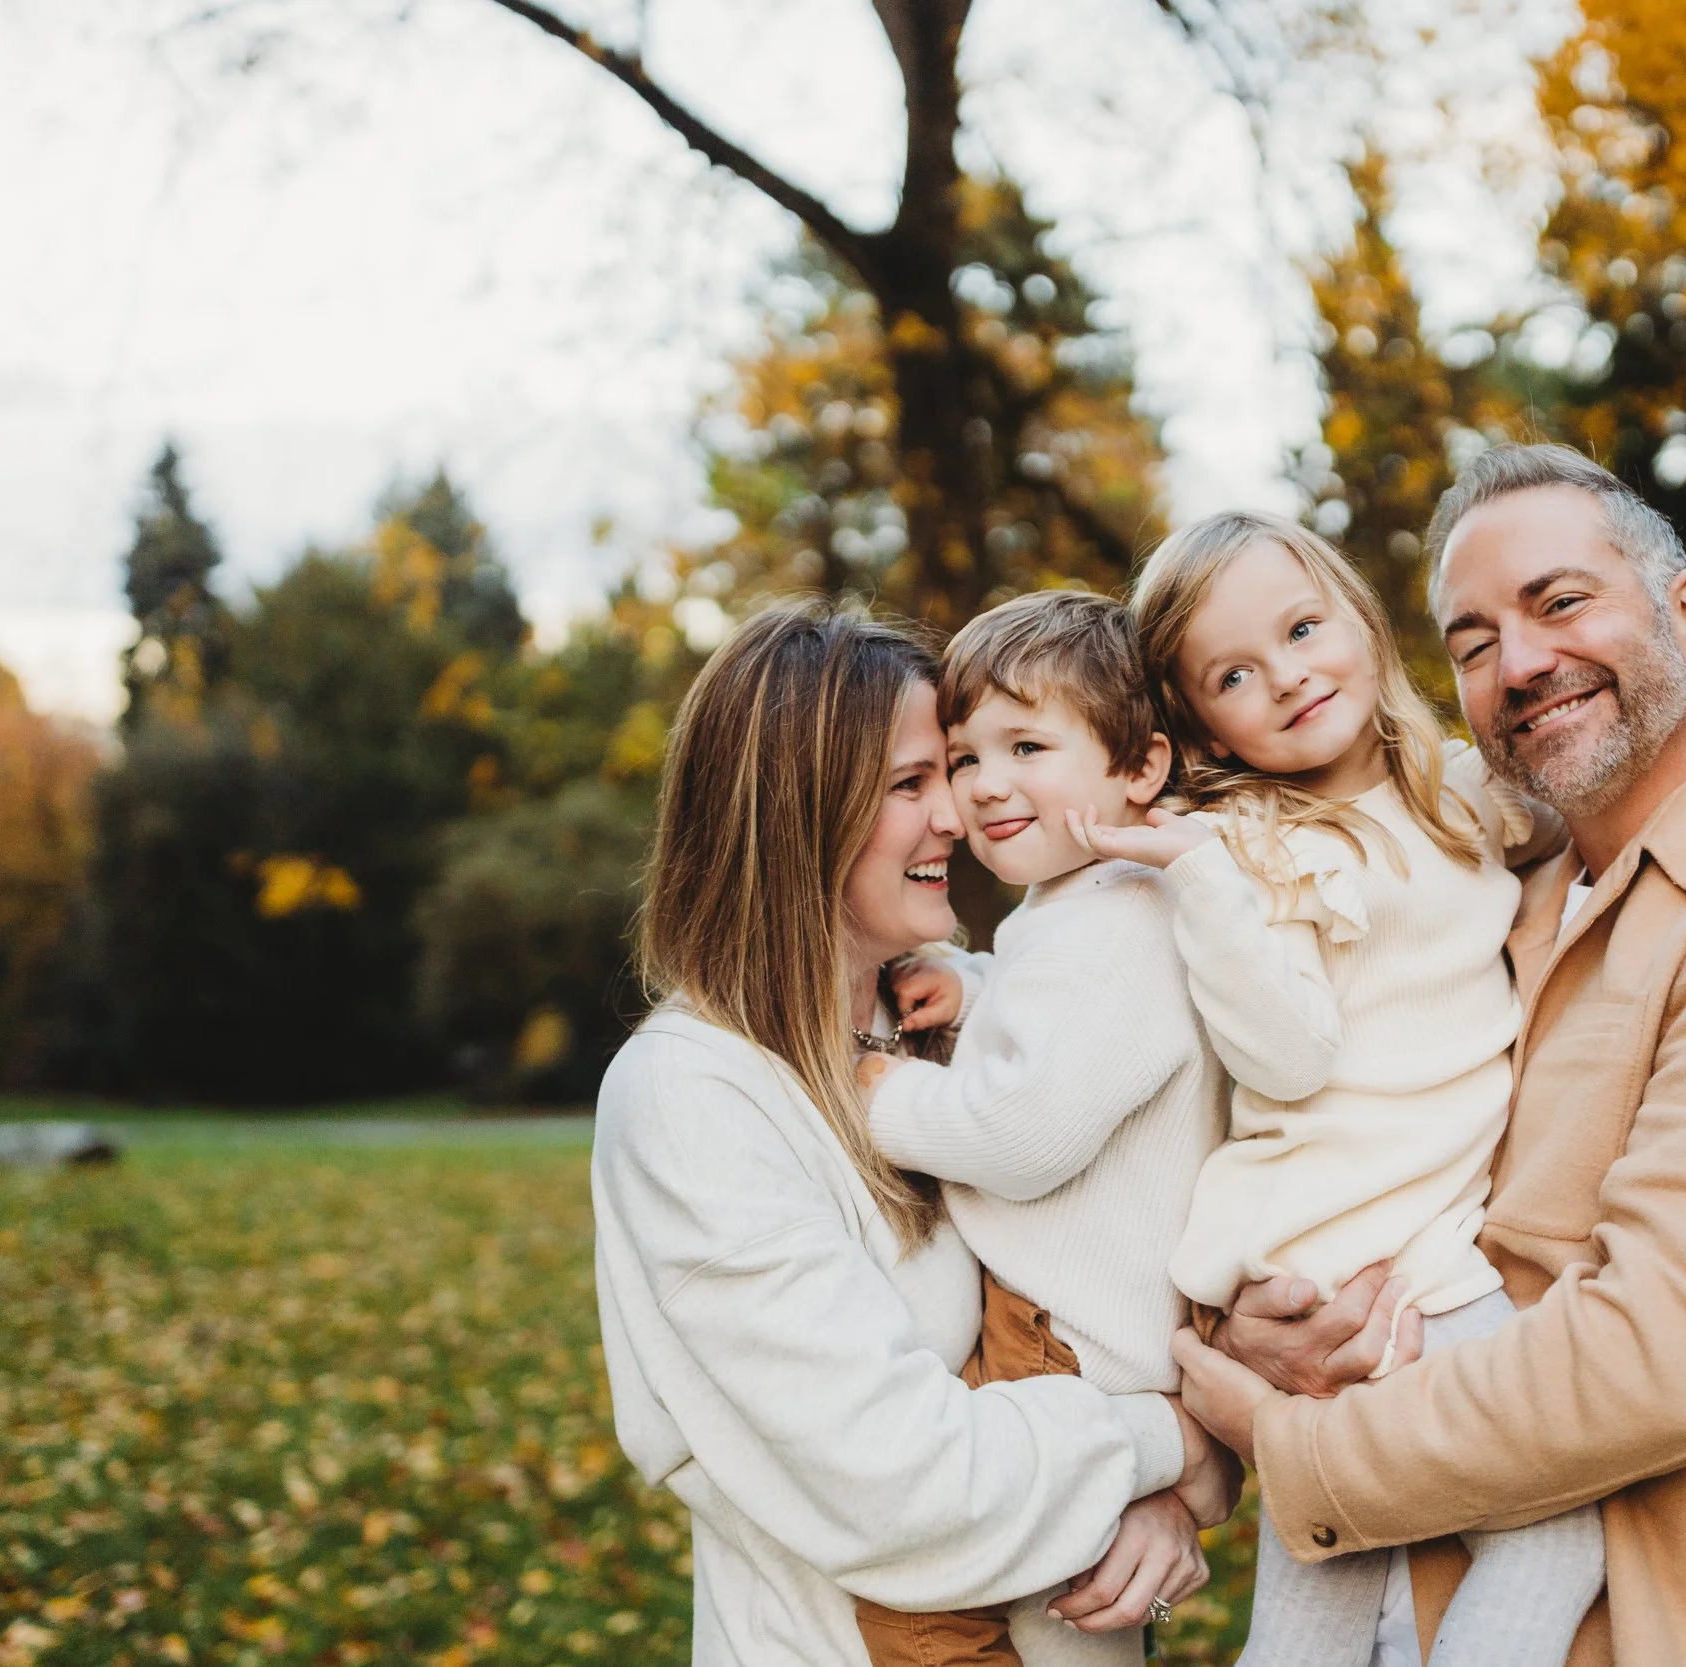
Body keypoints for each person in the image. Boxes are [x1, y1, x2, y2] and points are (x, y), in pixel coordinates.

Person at [1170, 444, 1686, 1667]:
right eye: (1471, 642)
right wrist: (1253, 1329)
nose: (1519, 663)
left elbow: (1654, 1355)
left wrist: (1298, 1437)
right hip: (1376, 1605)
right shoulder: (1485, 885)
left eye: (1560, 602)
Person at [591, 603, 1229, 1667]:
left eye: (956, 767)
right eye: (911, 782)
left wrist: (1164, 1502)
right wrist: (1178, 1443)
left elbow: (1138, 1252)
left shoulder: (962, 1021)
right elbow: (903, 1484)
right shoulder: (690, 1096)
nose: (959, 811)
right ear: (797, 813)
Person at [1080, 511, 1608, 1667]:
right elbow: (1286, 1056)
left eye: (1302, 627)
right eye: (1232, 673)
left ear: (1359, 621)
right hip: (1358, 1259)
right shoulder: (1256, 847)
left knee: (1329, 1571)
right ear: (1197, 719)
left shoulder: (1454, 795)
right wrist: (1206, 882)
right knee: (1557, 1531)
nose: (1285, 675)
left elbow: (1596, 814)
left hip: (1403, 1238)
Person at [851, 589, 1233, 1667]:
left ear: (1141, 767)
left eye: (1028, 743)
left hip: (1064, 1340)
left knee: (949, 1594)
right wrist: (972, 984)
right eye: (964, 756)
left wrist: (885, 1093)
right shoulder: (1083, 907)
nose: (984, 785)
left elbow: (1024, 1131)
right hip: (1073, 1328)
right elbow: (1061, 1031)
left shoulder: (1116, 920)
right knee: (1056, 1596)